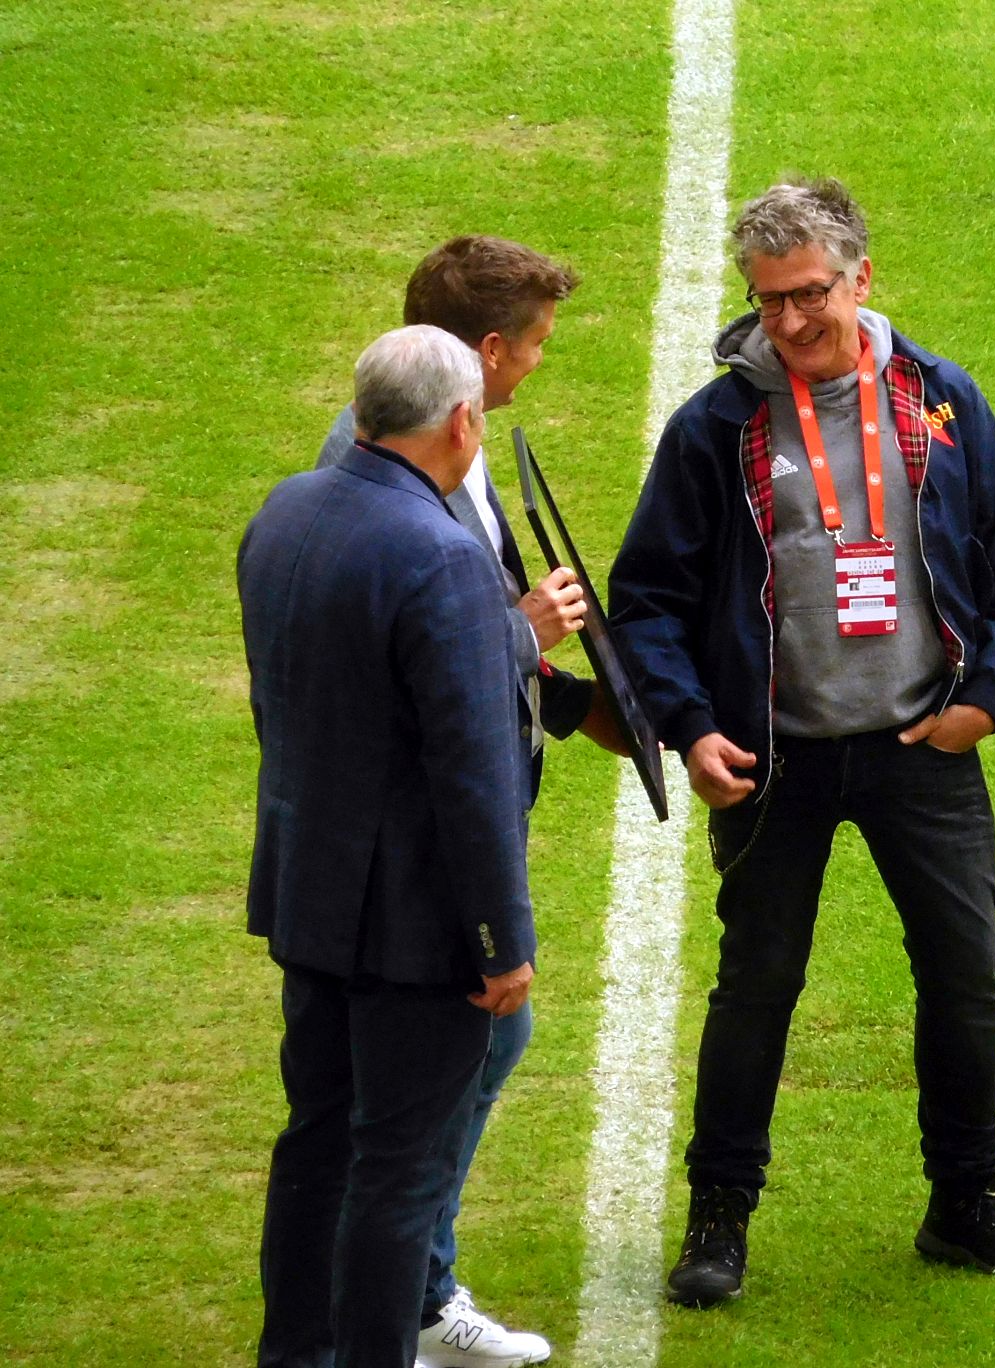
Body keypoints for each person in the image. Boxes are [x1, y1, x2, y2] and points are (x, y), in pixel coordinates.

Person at [608, 177, 995, 1307]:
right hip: (773, 760)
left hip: (924, 748)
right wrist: (691, 728)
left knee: (963, 976)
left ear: (862, 277)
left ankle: (964, 1202)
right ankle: (719, 1220)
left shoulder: (942, 402)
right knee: (756, 988)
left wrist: (986, 700)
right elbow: (647, 599)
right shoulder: (715, 427)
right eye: (768, 300)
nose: (791, 320)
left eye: (810, 293)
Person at [318, 236, 623, 1366]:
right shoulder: (395, 469)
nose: (540, 362)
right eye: (535, 344)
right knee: (434, 1082)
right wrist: (523, 632)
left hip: (390, 840)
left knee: (441, 1075)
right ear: (487, 353)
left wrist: (576, 703)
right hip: (412, 848)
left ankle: (406, 1293)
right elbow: (418, 657)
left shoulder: (436, 447)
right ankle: (405, 1304)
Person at [242, 325, 538, 1367]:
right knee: (399, 1171)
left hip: (308, 894)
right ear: (461, 422)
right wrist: (501, 941)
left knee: (316, 1142)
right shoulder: (443, 559)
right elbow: (474, 775)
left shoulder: (285, 509)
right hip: (414, 928)